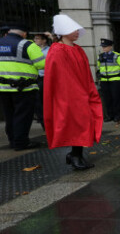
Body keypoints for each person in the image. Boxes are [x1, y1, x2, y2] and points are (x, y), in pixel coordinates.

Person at [44, 14, 102, 170]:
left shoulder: (77, 49)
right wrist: (77, 93)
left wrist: (88, 90)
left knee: (82, 123)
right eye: (73, 29)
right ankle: (75, 155)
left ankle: (76, 154)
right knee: (76, 124)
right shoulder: (57, 50)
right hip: (69, 95)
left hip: (80, 92)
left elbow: (85, 74)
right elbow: (62, 77)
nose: (77, 32)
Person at [0, 22, 45, 151]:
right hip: (24, 88)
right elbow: (41, 64)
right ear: (24, 33)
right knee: (22, 116)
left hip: (3, 88)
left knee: (10, 115)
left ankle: (13, 141)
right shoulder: (27, 44)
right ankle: (21, 142)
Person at [97, 38, 120, 124]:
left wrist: (119, 76)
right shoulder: (100, 56)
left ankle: (118, 115)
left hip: (115, 80)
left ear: (110, 47)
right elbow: (99, 67)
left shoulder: (117, 56)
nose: (103, 48)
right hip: (104, 80)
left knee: (116, 98)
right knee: (107, 99)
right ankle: (110, 115)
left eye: (105, 47)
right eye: (103, 47)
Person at [32, 32, 51, 129]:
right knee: (37, 100)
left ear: (44, 40)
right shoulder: (33, 50)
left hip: (45, 77)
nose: (35, 40)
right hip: (36, 78)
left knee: (44, 100)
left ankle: (47, 120)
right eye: (35, 38)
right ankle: (42, 119)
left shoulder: (49, 50)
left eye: (38, 38)